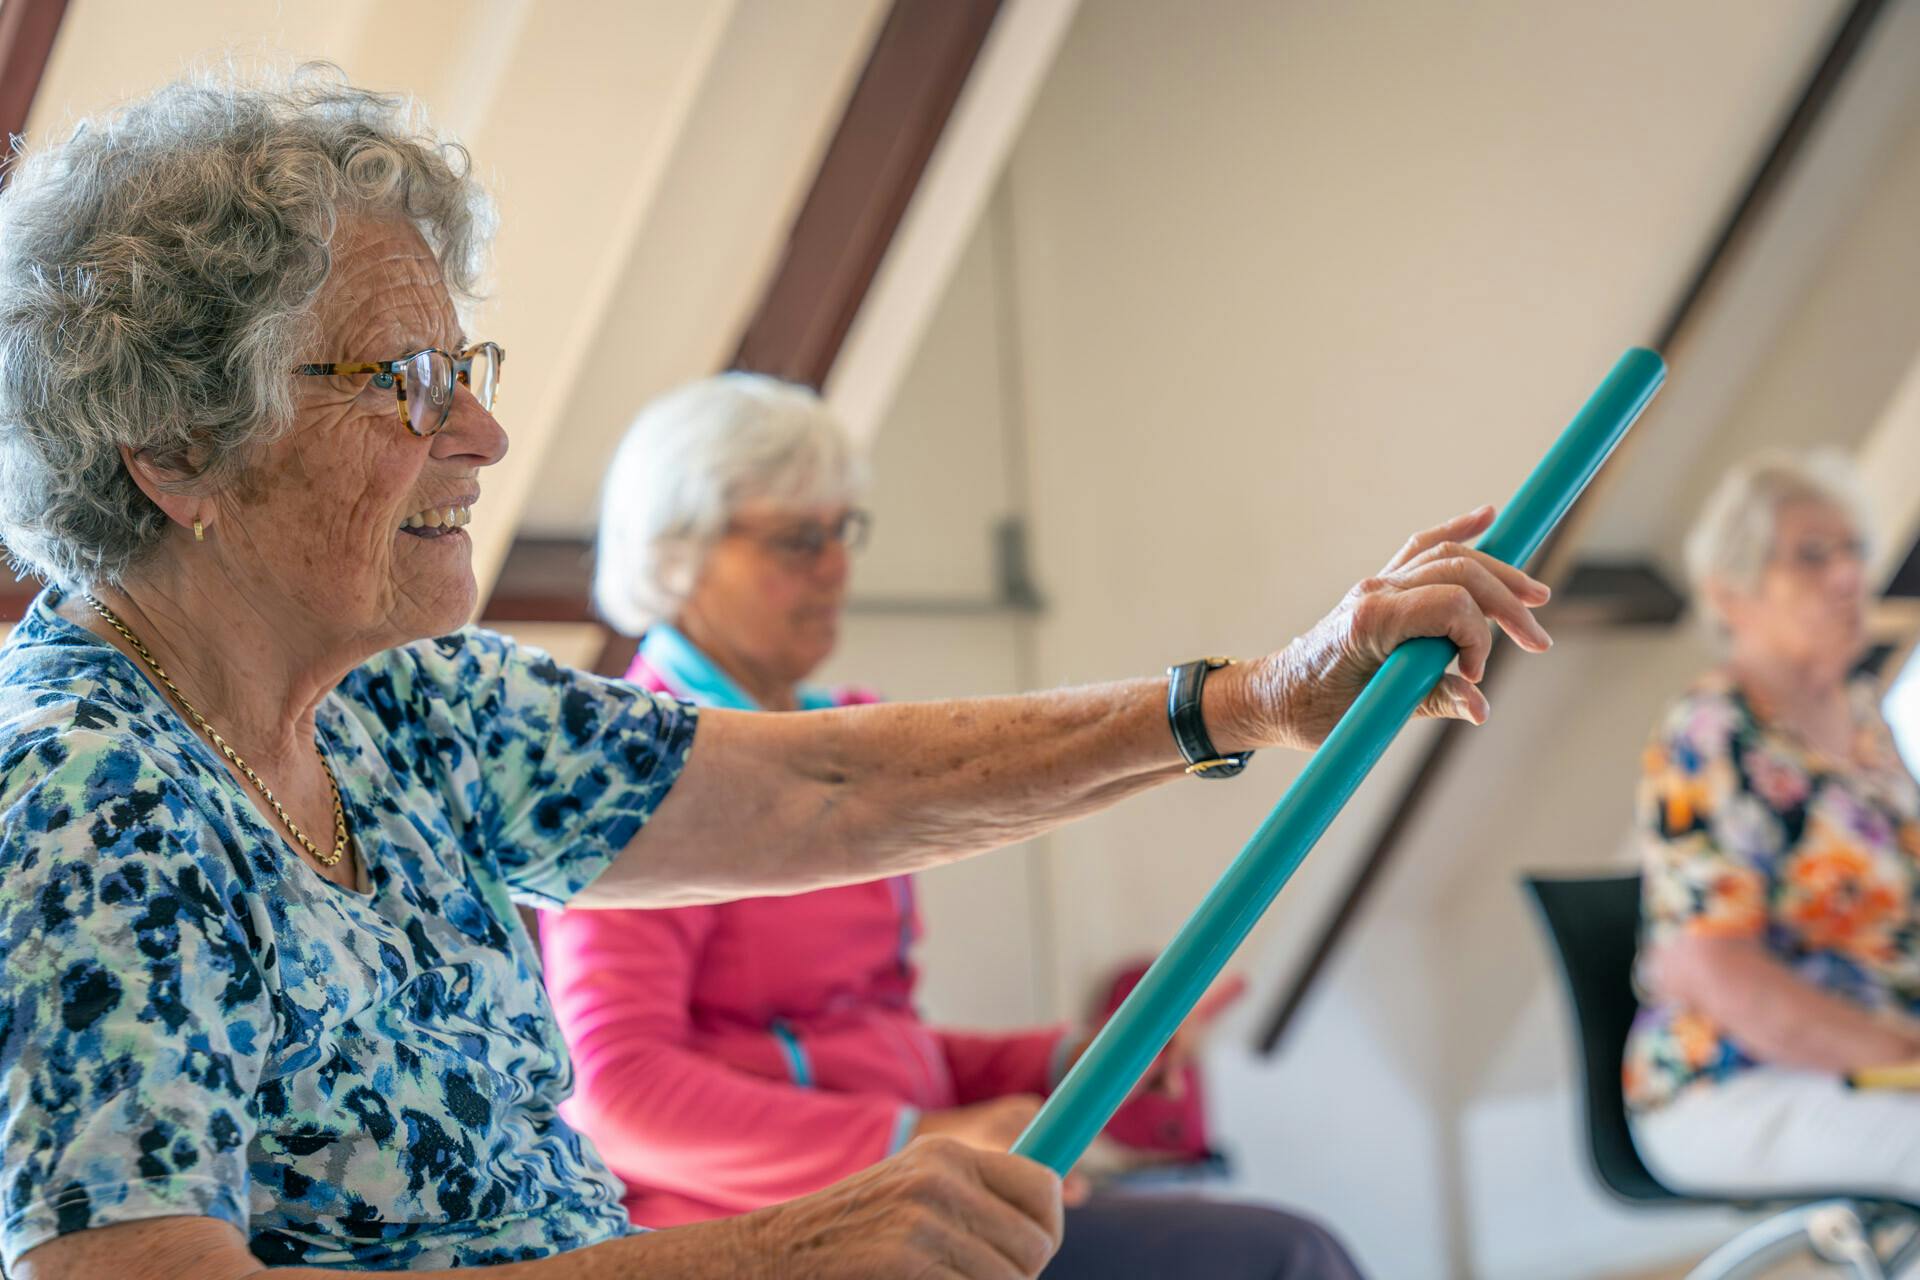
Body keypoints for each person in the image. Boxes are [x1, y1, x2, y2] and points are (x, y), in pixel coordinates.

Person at [0, 70, 1553, 1279]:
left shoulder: (402, 699)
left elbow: (810, 787)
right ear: (174, 447)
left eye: (463, 372)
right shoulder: (84, 800)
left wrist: (1253, 700)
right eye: (403, 382)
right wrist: (776, 1256)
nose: (479, 433)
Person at [542, 374, 1365, 1278]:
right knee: (1286, 1260)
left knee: (1288, 1252)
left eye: (844, 531)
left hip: (895, 1206)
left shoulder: (836, 733)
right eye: (799, 539)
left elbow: (871, 1044)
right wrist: (919, 1141)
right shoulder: (639, 766)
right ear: (675, 554)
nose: (835, 567)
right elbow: (619, 1096)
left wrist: (1061, 1061)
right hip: (773, 1235)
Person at [1626, 451, 1920, 1197]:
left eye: (1855, 550)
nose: (1849, 575)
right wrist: (1902, 1054)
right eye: (1811, 556)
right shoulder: (1713, 732)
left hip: (1880, 1064)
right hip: (1738, 1078)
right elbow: (1712, 968)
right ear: (1731, 592)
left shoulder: (1864, 722)